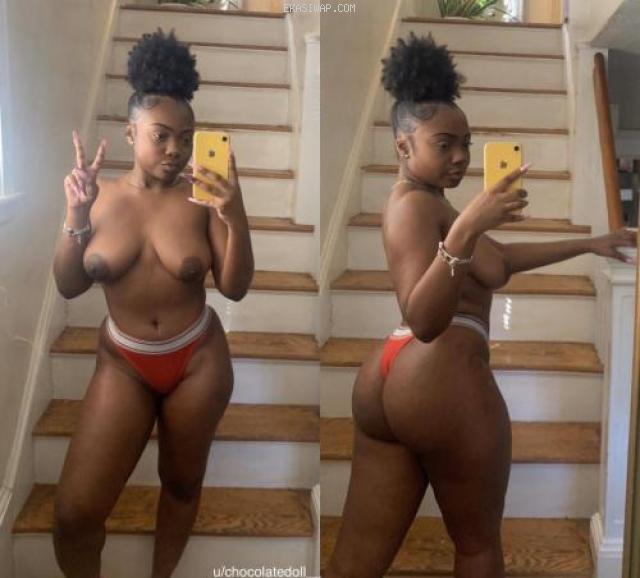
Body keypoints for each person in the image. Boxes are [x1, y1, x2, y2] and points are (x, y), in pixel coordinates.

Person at [324, 32, 636, 578]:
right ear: (403, 147)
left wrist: (590, 243)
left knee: (355, 563)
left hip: (393, 379)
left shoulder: (434, 203)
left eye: (466, 144)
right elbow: (423, 318)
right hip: (439, 371)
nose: (461, 157)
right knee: (476, 548)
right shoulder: (413, 205)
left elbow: (499, 264)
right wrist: (467, 227)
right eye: (444, 144)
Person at [51, 29, 254, 578]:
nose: (175, 150)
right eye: (161, 136)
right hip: (124, 361)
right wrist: (75, 216)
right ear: (130, 132)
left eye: (185, 138)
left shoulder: (202, 199)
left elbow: (235, 286)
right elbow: (68, 285)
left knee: (181, 484)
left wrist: (234, 214)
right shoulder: (100, 198)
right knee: (73, 516)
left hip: (197, 360)